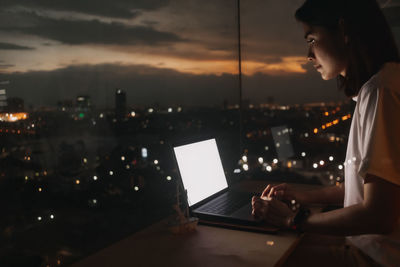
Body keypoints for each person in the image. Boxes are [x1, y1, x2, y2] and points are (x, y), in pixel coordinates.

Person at [251, 0, 400, 266]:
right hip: (367, 246)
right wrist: (302, 196)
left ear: (343, 31)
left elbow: (379, 214)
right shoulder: (378, 87)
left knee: (259, 256)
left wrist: (292, 220)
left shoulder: (381, 91)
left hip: (377, 256)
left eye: (312, 39)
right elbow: (364, 192)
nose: (308, 55)